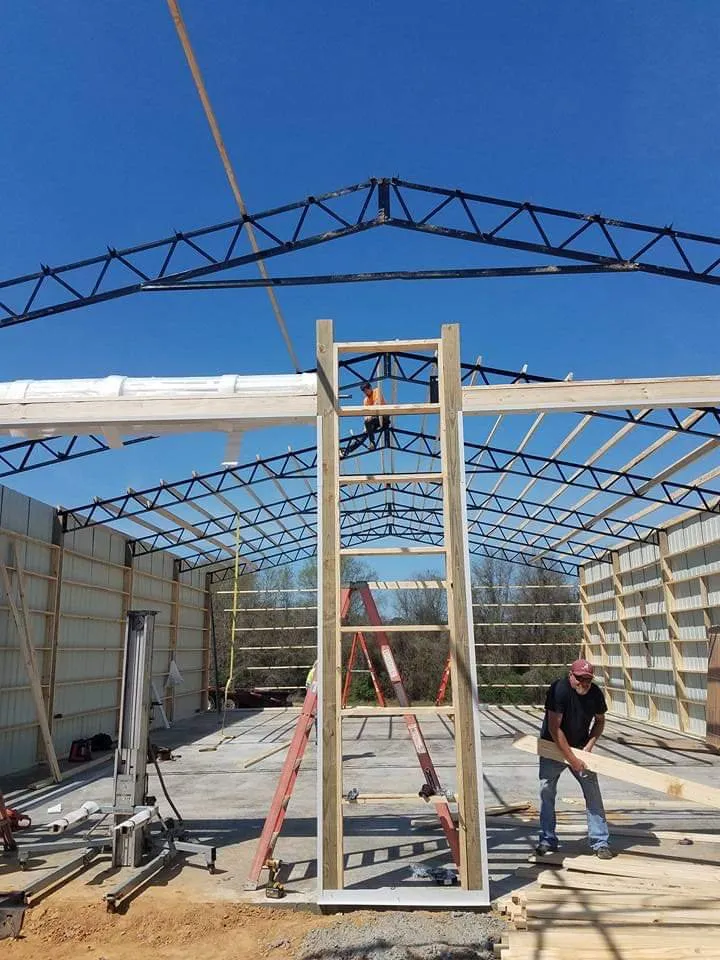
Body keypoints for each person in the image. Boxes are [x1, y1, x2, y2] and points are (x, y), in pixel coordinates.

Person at [536, 658, 613, 860]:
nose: (583, 683)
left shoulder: (595, 693)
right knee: (546, 791)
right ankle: (547, 839)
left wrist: (588, 747)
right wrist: (572, 759)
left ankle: (600, 842)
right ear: (571, 675)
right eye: (579, 678)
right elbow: (554, 728)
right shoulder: (559, 690)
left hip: (579, 747)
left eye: (587, 679)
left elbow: (600, 721)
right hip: (552, 747)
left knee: (592, 793)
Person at [341, 381, 390, 457]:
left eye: (366, 391)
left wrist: (369, 417)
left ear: (370, 388)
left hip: (383, 417)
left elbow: (377, 404)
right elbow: (366, 415)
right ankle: (348, 450)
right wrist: (366, 427)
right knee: (364, 434)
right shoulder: (365, 400)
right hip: (374, 420)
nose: (365, 393)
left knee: (373, 421)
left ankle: (374, 440)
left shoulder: (377, 391)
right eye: (364, 392)